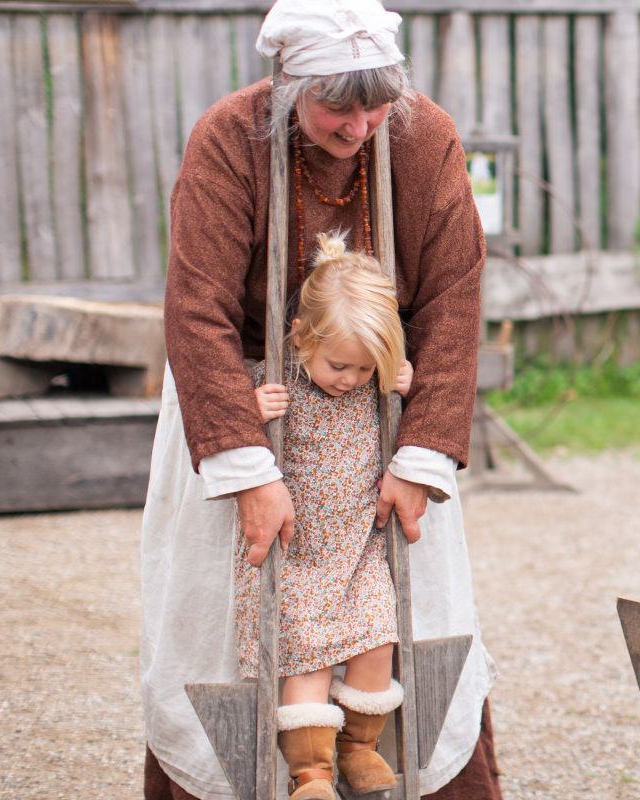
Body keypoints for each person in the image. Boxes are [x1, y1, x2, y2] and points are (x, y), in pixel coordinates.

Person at [139, 0, 500, 797]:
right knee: (224, 625)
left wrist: (422, 452)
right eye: (339, 104)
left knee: (410, 608)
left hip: (382, 411)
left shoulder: (421, 134)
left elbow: (452, 296)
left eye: (376, 103)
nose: (359, 126)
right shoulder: (229, 137)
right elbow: (195, 308)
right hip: (243, 403)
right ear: (289, 82)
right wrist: (245, 468)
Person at [232, 231, 414, 799]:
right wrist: (248, 408)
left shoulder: (371, 386)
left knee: (377, 644)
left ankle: (359, 748)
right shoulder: (277, 382)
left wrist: (404, 387)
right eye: (340, 365)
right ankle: (310, 774)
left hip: (357, 551)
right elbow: (219, 418)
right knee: (305, 663)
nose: (351, 380)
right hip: (298, 556)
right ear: (301, 335)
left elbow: (408, 410)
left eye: (365, 369)